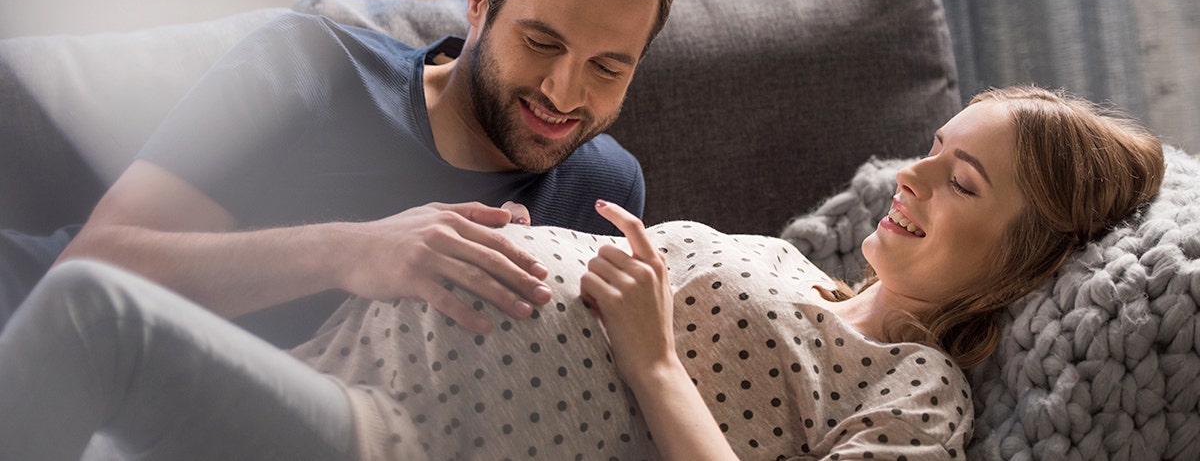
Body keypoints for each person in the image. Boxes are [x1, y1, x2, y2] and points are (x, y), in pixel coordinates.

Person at [0, 85, 1165, 460]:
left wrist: (656, 361)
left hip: (388, 436)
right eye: (934, 151)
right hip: (325, 360)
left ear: (1024, 262)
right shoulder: (799, 271)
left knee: (99, 313)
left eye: (964, 184)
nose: (914, 179)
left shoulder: (920, 394)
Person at [2, 0, 685, 345]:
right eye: (541, 42)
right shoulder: (309, 69)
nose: (565, 93)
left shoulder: (605, 190)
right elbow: (89, 273)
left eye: (607, 67)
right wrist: (351, 250)